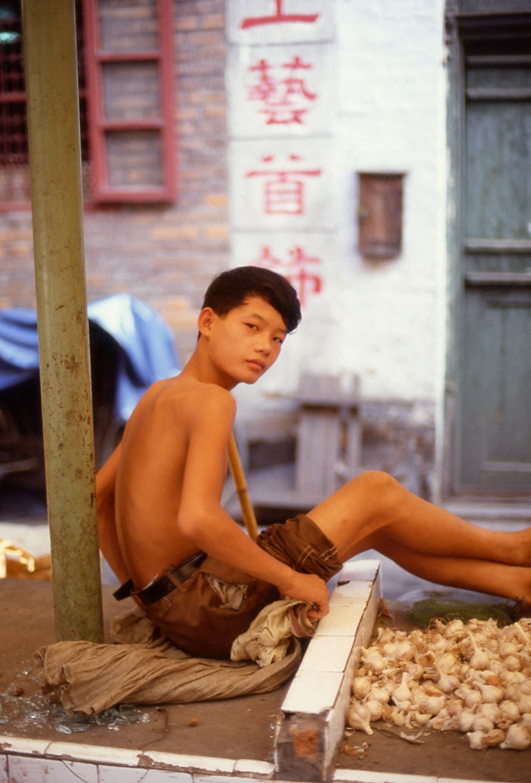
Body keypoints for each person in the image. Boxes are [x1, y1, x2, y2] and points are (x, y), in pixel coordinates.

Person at [97, 266, 531, 659]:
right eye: (252, 326)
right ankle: (513, 548)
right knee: (375, 489)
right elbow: (198, 518)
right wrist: (290, 580)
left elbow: (97, 498)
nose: (264, 347)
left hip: (180, 609)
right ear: (207, 322)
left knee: (376, 524)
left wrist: (143, 596)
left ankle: (517, 583)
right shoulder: (211, 401)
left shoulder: (157, 394)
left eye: (277, 338)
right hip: (213, 605)